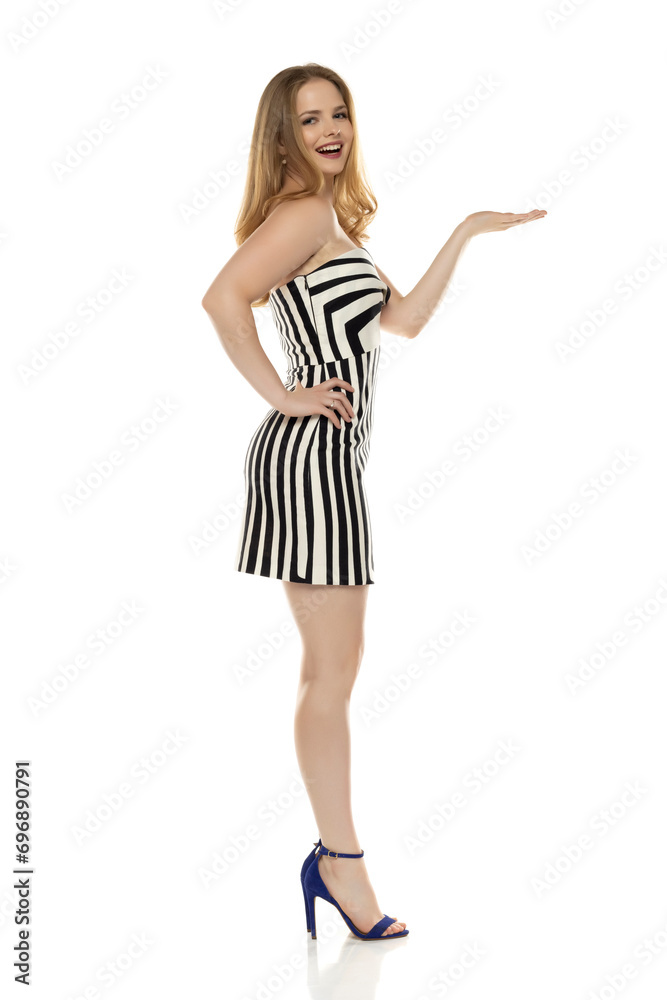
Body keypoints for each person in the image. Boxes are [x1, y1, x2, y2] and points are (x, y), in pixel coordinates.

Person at [201, 63, 546, 941]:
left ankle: (335, 859)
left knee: (335, 673)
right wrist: (283, 396)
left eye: (339, 113)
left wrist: (465, 230)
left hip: (334, 464)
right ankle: (342, 866)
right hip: (309, 458)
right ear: (280, 133)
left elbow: (403, 320)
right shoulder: (303, 214)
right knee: (328, 676)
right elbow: (221, 297)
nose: (329, 129)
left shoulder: (334, 225)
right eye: (309, 117)